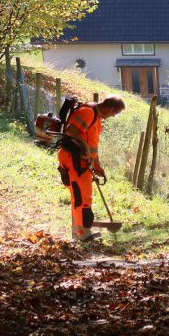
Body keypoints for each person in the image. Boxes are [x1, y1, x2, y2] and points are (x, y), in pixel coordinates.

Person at [57, 95, 126, 242]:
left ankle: (77, 231)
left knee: (79, 196)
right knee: (82, 196)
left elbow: (93, 145)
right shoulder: (88, 112)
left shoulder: (97, 118)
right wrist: (84, 145)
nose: (113, 116)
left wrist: (97, 165)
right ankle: (83, 233)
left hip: (82, 163)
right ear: (110, 108)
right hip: (73, 161)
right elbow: (71, 130)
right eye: (115, 113)